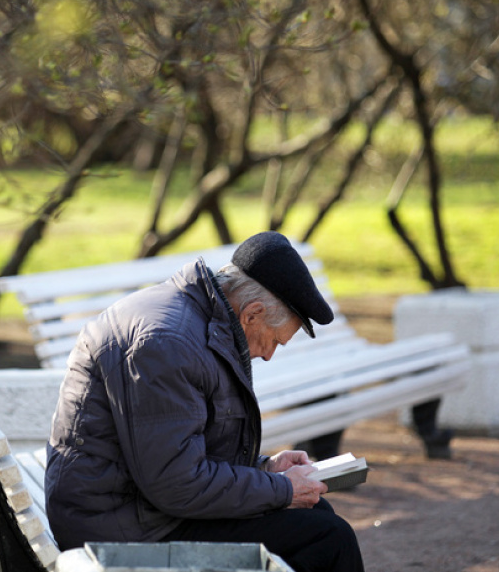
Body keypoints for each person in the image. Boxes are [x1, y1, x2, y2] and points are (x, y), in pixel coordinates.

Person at [45, 231, 365, 572]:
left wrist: (265, 469)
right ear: (252, 314)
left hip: (138, 505)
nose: (269, 355)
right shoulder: (167, 344)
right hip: (119, 527)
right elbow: (176, 483)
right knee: (328, 538)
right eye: (274, 341)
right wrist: (281, 489)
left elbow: (177, 450)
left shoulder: (194, 320)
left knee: (316, 515)